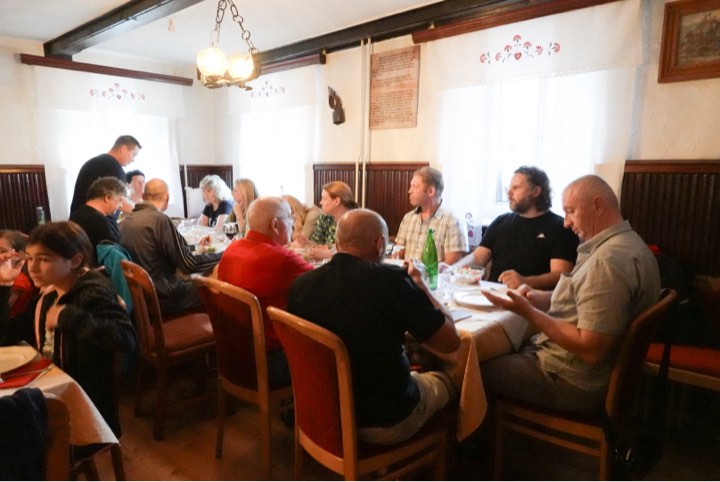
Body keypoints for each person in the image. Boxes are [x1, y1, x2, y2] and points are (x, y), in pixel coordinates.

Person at [480, 175, 661, 415]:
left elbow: (590, 349)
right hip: (579, 368)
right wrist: (535, 296)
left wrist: (528, 312)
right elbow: (581, 301)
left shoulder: (608, 262)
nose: (566, 223)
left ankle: (479, 436)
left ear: (598, 205)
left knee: (472, 369)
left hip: (569, 379)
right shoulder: (628, 243)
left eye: (570, 211)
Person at [288, 209, 461, 445]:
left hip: (321, 412)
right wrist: (422, 285)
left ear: (337, 244)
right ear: (380, 245)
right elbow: (450, 343)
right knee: (450, 379)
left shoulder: (300, 285)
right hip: (384, 420)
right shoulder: (392, 280)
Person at [26, 221, 136, 436]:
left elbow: (126, 338)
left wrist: (68, 316)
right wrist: (5, 287)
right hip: (51, 388)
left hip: (83, 406)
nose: (32, 268)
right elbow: (11, 334)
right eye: (29, 258)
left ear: (75, 261)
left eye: (44, 259)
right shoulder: (50, 292)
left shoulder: (92, 292)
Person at [217, 196, 314, 385]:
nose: (293, 224)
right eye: (290, 218)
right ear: (275, 224)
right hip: (269, 363)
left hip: (232, 356)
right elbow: (321, 282)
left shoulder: (232, 249)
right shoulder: (281, 258)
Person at [452, 166, 579, 289]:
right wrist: (453, 269)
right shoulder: (500, 221)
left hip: (531, 298)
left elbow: (561, 275)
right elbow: (478, 257)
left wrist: (525, 282)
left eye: (516, 187)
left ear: (536, 191)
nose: (509, 193)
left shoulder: (560, 227)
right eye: (509, 187)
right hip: (491, 294)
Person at [120, 178, 221, 316]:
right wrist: (223, 255)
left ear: (143, 196)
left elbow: (163, 251)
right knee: (217, 287)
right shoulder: (159, 219)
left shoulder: (129, 219)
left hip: (146, 296)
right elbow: (188, 264)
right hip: (167, 296)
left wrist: (196, 247)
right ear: (167, 197)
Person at [394, 167, 468, 264]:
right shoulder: (408, 218)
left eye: (414, 187)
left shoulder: (453, 221)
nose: (409, 191)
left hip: (435, 274)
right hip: (405, 273)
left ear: (430, 191)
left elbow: (451, 265)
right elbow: (398, 254)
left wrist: (421, 271)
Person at [69, 135, 141, 215]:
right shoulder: (114, 168)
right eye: (134, 155)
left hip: (79, 218)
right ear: (123, 149)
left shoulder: (94, 162)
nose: (133, 160)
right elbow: (119, 200)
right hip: (95, 220)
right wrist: (142, 214)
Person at [69, 176, 125, 255]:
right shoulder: (100, 222)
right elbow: (109, 257)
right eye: (120, 200)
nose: (121, 205)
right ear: (107, 198)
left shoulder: (76, 215)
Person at [0, 230, 37, 346]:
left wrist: (4, 284)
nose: (0, 257)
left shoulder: (19, 282)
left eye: (2, 251)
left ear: (19, 256)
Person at [306, 181, 358, 260]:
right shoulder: (325, 217)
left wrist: (328, 253)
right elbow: (317, 242)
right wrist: (308, 243)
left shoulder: (357, 220)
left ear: (336, 201)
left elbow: (354, 252)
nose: (320, 202)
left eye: (324, 199)